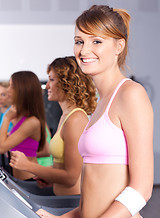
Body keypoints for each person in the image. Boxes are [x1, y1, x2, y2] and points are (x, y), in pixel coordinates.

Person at [35, 5, 154, 218]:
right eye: (79, 41)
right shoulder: (101, 103)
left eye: (96, 41)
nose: (84, 50)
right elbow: (100, 190)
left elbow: (141, 190)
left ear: (119, 46)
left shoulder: (131, 94)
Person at [10, 56, 97, 196]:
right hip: (60, 196)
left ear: (66, 83)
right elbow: (62, 167)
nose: (48, 86)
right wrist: (49, 177)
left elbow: (70, 177)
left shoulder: (75, 120)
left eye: (51, 80)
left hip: (70, 202)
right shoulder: (66, 116)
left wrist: (29, 166)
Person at [0, 71, 46, 181]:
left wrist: (7, 118)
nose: (8, 90)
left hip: (29, 179)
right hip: (18, 179)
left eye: (12, 86)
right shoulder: (20, 117)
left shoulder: (32, 122)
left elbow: (1, 147)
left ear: (22, 90)